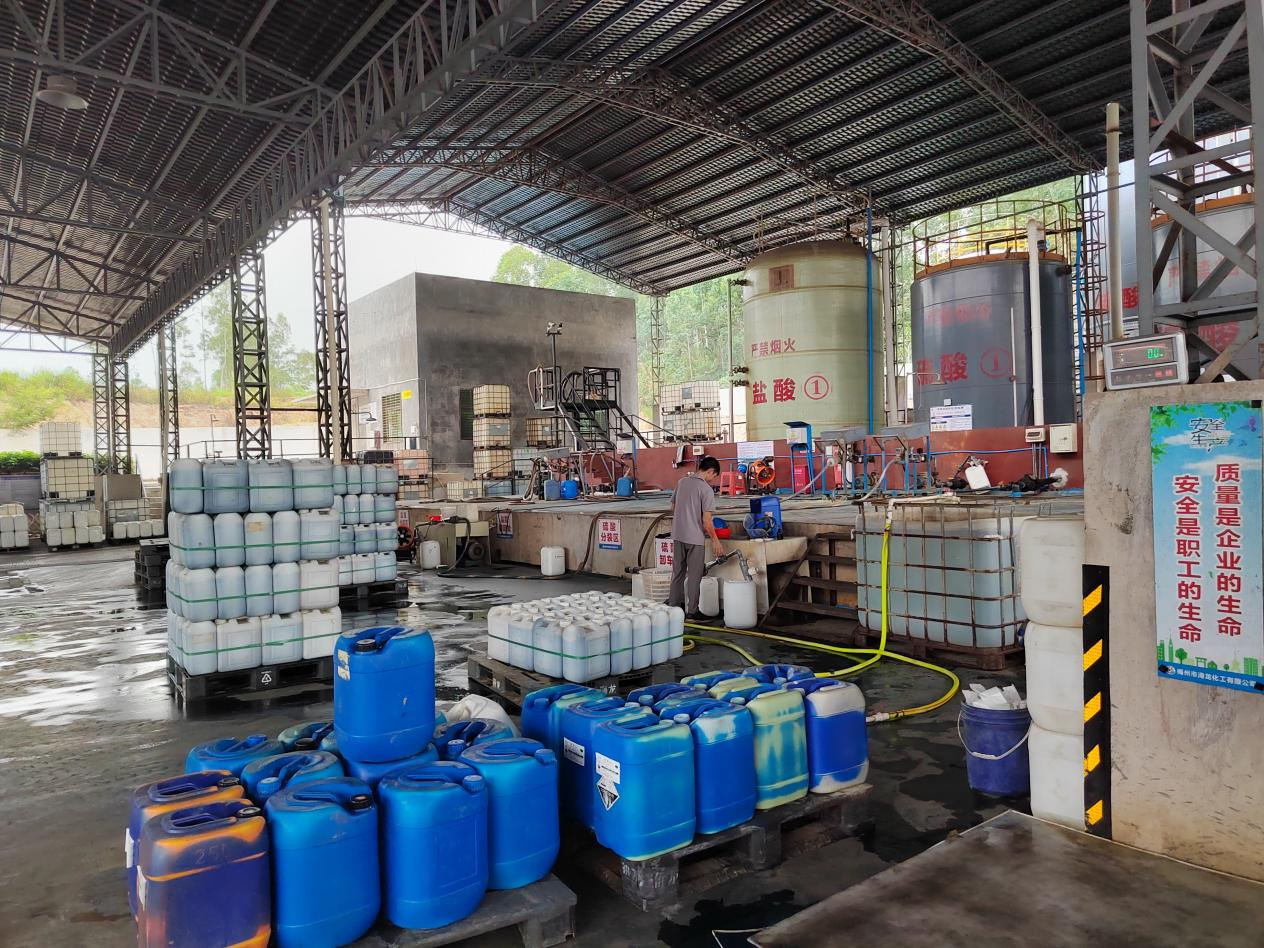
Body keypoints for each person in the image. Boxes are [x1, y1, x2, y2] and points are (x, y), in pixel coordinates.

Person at [668, 455, 724, 619]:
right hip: (694, 538)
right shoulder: (706, 490)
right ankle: (692, 611)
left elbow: (673, 508)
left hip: (678, 534)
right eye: (714, 476)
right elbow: (707, 521)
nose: (713, 480)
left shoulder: (682, 482)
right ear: (710, 471)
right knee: (694, 575)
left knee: (677, 572)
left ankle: (674, 608)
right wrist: (716, 541)